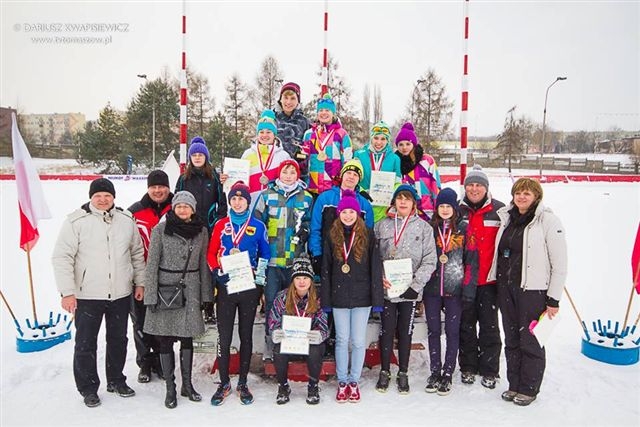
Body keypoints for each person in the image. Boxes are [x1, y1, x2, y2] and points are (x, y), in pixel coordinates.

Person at [52, 178, 146, 408]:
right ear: (91, 197)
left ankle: (116, 379)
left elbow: (136, 254)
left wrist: (140, 283)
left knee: (118, 339)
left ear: (113, 197)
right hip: (87, 294)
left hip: (120, 293)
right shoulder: (76, 221)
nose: (103, 200)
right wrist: (67, 292)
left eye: (107, 196)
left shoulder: (126, 220)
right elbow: (61, 257)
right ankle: (88, 387)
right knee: (85, 342)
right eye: (98, 196)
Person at [488, 178, 567, 406]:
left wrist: (553, 298)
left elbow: (559, 263)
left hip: (533, 290)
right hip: (506, 288)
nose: (522, 197)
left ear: (536, 197)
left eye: (527, 193)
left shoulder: (548, 221)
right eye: (518, 193)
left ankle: (529, 388)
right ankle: (514, 384)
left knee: (530, 340)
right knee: (512, 338)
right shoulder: (507, 218)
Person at [142, 191, 212, 409]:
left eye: (186, 206)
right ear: (173, 208)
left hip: (190, 289)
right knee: (164, 339)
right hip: (166, 290)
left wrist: (206, 296)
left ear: (192, 209)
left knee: (187, 338)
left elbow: (203, 264)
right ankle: (170, 387)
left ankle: (187, 385)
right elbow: (151, 264)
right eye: (178, 206)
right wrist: (150, 294)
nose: (182, 209)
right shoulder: (161, 230)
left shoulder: (201, 231)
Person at [207, 181, 270, 406]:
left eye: (241, 198)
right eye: (234, 198)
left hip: (248, 287)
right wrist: (217, 272)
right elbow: (211, 252)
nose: (237, 202)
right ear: (230, 201)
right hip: (226, 287)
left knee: (245, 335)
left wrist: (260, 283)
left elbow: (265, 255)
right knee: (224, 336)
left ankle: (243, 382)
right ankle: (224, 382)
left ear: (248, 201)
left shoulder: (258, 226)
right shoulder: (221, 224)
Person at [320, 190, 384, 403]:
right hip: (338, 296)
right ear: (339, 214)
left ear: (358, 214)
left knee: (357, 341)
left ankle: (354, 380)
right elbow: (326, 270)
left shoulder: (368, 235)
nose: (348, 215)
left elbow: (375, 268)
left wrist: (377, 300)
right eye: (344, 212)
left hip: (362, 297)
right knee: (341, 340)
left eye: (352, 212)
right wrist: (326, 300)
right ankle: (342, 381)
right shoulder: (332, 235)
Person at [374, 184, 437, 394]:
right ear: (393, 202)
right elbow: (373, 257)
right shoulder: (381, 225)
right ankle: (384, 370)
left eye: (407, 199)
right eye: (399, 198)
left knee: (405, 331)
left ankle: (403, 372)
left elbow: (430, 260)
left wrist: (416, 285)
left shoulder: (424, 228)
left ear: (413, 204)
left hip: (410, 291)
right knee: (387, 329)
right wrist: (379, 278)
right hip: (387, 289)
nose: (402, 202)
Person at [253, 159, 314, 361]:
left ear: (298, 175)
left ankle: (294, 345)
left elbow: (309, 222)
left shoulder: (305, 197)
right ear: (279, 174)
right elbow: (257, 224)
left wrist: (304, 232)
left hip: (295, 261)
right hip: (272, 260)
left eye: (292, 172)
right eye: (285, 172)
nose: (289, 176)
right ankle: (271, 346)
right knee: (272, 303)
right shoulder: (267, 195)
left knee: (295, 303)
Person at [423, 188, 478, 396]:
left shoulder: (465, 229)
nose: (445, 210)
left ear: (454, 208)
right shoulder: (429, 228)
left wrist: (468, 289)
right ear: (437, 208)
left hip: (455, 290)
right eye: (441, 206)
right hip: (432, 289)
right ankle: (435, 371)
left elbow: (472, 262)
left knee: (453, 332)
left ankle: (448, 372)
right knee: (434, 331)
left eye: (448, 206)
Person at [457, 165, 505, 389]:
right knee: (465, 325)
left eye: (479, 185)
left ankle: (489, 369)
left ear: (486, 188)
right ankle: (467, 366)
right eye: (470, 185)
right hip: (464, 280)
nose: (474, 189)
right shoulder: (458, 210)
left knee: (489, 326)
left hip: (489, 280)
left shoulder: (500, 211)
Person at [128, 170, 174, 384]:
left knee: (164, 320)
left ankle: (163, 360)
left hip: (169, 276)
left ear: (168, 187)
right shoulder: (135, 212)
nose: (158, 190)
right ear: (148, 188)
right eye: (154, 187)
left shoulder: (177, 208)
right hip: (142, 275)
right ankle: (145, 361)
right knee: (141, 320)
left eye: (162, 186)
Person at [176, 136, 227, 325]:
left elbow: (222, 202)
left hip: (209, 229)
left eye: (200, 155)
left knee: (208, 268)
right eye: (194, 155)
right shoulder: (184, 178)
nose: (197, 158)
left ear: (206, 157)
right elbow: (177, 202)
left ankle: (209, 305)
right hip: (189, 228)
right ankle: (191, 304)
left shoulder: (214, 176)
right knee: (191, 267)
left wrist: (217, 222)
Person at [268, 256, 329, 405]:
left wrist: (319, 335)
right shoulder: (281, 298)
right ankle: (283, 386)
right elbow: (273, 321)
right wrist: (275, 332)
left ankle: (313, 386)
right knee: (277, 349)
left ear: (310, 280)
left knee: (316, 349)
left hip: (308, 344)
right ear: (293, 280)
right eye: (298, 278)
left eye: (305, 278)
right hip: (290, 344)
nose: (302, 282)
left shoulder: (318, 299)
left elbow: (325, 326)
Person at [308, 159, 374, 276]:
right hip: (327, 255)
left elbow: (367, 235)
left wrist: (362, 258)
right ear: (342, 175)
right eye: (348, 173)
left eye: (355, 175)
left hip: (353, 259)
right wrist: (317, 254)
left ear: (359, 180)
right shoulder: (325, 198)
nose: (351, 177)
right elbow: (315, 228)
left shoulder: (365, 204)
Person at [302, 92, 353, 196]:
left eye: (327, 110)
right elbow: (304, 160)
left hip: (333, 188)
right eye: (320, 110)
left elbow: (347, 161)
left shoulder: (341, 134)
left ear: (333, 113)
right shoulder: (309, 134)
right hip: (312, 187)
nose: (323, 113)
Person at [241, 109, 292, 209]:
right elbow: (238, 179)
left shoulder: (283, 156)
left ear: (274, 134)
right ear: (257, 134)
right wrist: (228, 178)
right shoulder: (248, 154)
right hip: (251, 204)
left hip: (275, 207)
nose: (265, 135)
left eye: (268, 132)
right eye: (261, 132)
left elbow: (290, 181)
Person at [353, 120, 401, 222]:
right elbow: (353, 178)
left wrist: (390, 193)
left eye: (383, 139)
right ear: (371, 138)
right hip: (363, 202)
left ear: (387, 140)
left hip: (384, 205)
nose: (379, 142)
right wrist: (361, 192)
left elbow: (397, 182)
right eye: (376, 138)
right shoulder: (359, 155)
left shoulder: (395, 159)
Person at [394, 122, 441, 220]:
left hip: (427, 212)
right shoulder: (395, 162)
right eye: (401, 144)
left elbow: (436, 186)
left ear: (414, 144)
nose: (404, 147)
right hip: (404, 213)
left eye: (408, 144)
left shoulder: (427, 160)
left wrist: (438, 209)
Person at [274, 81, 311, 164]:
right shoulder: (272, 119)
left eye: (293, 98)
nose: (288, 102)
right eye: (285, 97)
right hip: (275, 170)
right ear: (280, 99)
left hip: (297, 171)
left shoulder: (304, 122)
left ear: (298, 101)